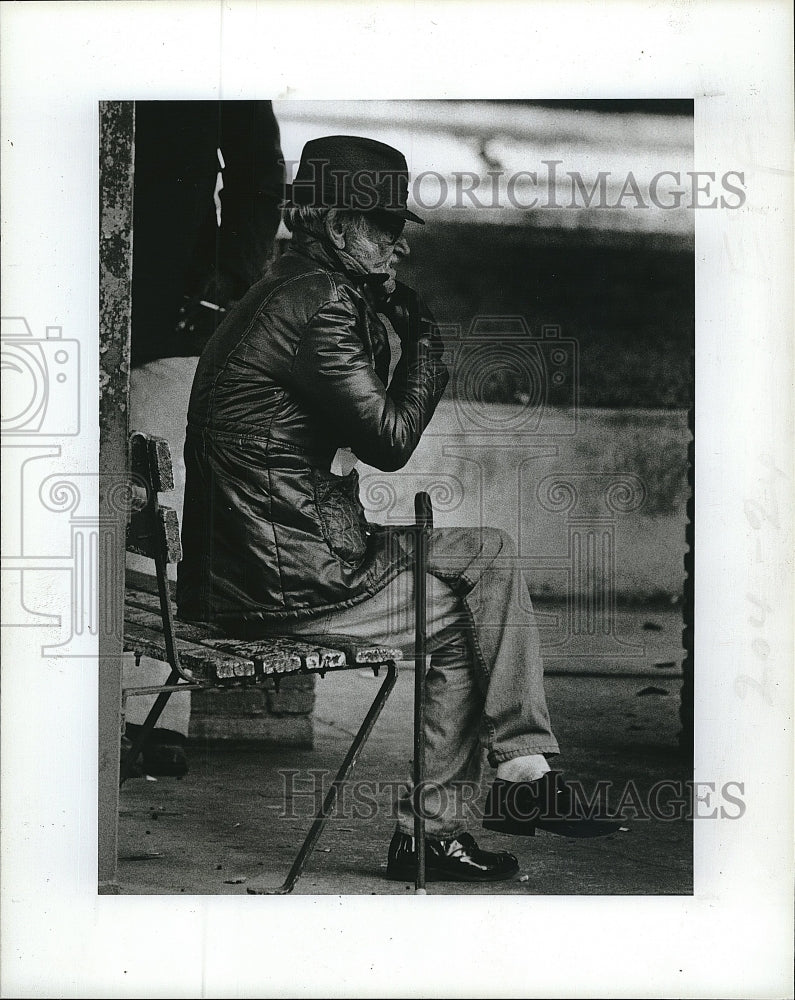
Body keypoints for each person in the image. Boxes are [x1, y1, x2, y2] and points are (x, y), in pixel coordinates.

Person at [177, 134, 620, 883]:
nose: (397, 248)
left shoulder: (290, 288)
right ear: (331, 222)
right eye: (382, 227)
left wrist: (386, 321)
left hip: (263, 555)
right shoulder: (316, 304)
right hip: (278, 578)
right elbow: (387, 440)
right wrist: (426, 350)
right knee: (469, 599)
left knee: (481, 570)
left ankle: (502, 786)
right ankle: (483, 798)